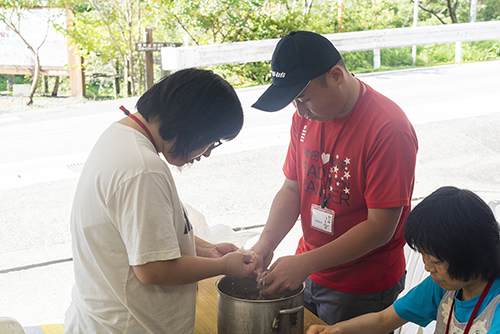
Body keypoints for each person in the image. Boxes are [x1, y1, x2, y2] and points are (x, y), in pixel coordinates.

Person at [63, 68, 257, 334]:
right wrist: (223, 266)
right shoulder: (143, 169)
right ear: (193, 124)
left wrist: (207, 250)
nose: (207, 154)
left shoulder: (121, 137)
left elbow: (144, 238)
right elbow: (153, 269)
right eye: (212, 142)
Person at [250, 30, 418, 326]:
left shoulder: (388, 129)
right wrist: (266, 244)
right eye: (294, 102)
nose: (299, 110)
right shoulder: (304, 117)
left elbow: (380, 227)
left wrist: (305, 264)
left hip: (362, 286)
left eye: (303, 98)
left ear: (336, 76)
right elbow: (292, 188)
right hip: (309, 268)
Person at [307, 186, 500, 334]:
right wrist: (336, 330)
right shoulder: (445, 285)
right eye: (423, 255)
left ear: (472, 254)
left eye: (436, 261)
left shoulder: (494, 305)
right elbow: (384, 319)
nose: (427, 267)